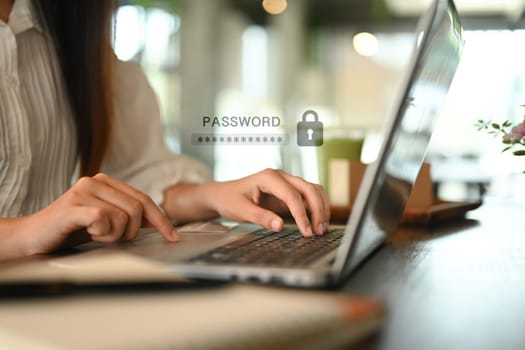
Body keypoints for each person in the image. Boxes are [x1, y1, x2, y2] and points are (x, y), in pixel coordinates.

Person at [0, 0, 330, 261]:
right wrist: (28, 232)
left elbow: (141, 179)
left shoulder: (76, 42)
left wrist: (218, 195)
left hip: (48, 297)